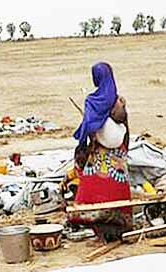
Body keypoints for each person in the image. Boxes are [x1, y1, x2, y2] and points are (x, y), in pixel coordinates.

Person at [66, 62, 132, 243]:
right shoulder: (118, 100)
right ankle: (121, 223)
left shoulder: (92, 100)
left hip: (97, 155)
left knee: (91, 188)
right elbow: (124, 126)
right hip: (116, 157)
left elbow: (88, 127)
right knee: (116, 187)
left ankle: (87, 219)